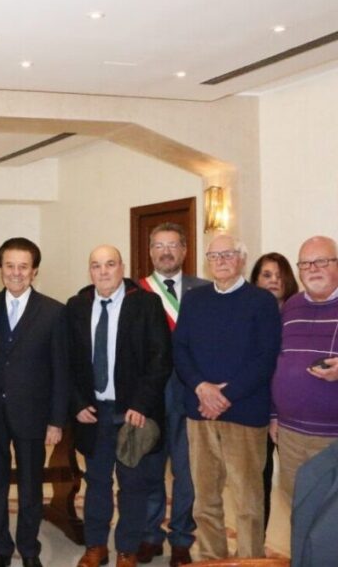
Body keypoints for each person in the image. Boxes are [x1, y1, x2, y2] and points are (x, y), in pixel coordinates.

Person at [173, 234, 281, 561]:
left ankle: (249, 560)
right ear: (207, 261)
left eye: (228, 254)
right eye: (214, 256)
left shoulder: (261, 301)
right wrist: (201, 387)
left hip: (244, 414)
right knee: (205, 500)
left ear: (242, 259)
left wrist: (225, 395)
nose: (221, 261)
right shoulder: (194, 299)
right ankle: (211, 559)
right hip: (200, 414)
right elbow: (180, 349)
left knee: (248, 502)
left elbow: (265, 357)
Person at [67, 245, 172, 567]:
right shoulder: (77, 306)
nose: (103, 271)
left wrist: (141, 404)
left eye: (110, 264)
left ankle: (127, 548)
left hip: (132, 414)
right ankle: (96, 546)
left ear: (122, 267)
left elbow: (160, 359)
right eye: (96, 265)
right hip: (93, 413)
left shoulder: (146, 304)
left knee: (132, 485)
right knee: (96, 483)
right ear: (90, 271)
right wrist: (77, 403)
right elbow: (67, 361)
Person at [0, 237, 68, 567]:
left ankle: (28, 549)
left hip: (33, 415)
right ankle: (1, 549)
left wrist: (56, 420)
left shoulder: (54, 312)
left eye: (23, 267)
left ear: (34, 271)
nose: (16, 272)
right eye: (9, 266)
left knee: (30, 488)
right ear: (0, 269)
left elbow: (61, 369)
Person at [136, 223, 209, 566]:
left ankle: (181, 537)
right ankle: (150, 535)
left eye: (172, 245)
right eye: (159, 245)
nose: (166, 252)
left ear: (184, 250)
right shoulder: (136, 292)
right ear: (150, 251)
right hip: (150, 397)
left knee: (187, 472)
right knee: (150, 469)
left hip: (191, 394)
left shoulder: (205, 290)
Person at [270, 237, 338, 532]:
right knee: (299, 512)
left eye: (322, 261)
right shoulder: (291, 306)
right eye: (305, 264)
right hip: (290, 434)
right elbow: (276, 361)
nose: (313, 269)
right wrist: (273, 414)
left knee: (336, 522)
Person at [249, 252, 298, 530]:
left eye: (279, 275)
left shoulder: (297, 315)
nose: (273, 281)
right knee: (258, 483)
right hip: (256, 409)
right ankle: (255, 548)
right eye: (266, 275)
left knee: (297, 486)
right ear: (255, 280)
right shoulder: (247, 315)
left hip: (290, 412)